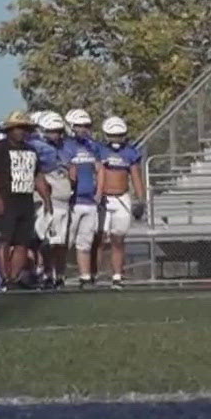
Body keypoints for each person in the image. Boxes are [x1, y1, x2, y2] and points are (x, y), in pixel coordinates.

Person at [0, 111, 48, 290]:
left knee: (22, 242)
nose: (21, 132)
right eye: (17, 128)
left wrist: (46, 199)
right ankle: (5, 278)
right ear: (9, 130)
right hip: (5, 199)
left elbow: (38, 176)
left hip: (25, 200)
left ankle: (13, 278)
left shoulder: (31, 150)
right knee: (3, 240)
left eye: (24, 128)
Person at [95, 115, 146, 288]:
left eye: (119, 135)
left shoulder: (130, 152)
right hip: (103, 198)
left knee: (118, 239)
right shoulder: (99, 150)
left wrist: (141, 199)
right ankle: (94, 274)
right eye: (113, 135)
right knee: (99, 239)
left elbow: (136, 177)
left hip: (122, 198)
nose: (116, 139)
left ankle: (117, 275)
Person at [61, 109, 103, 289]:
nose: (83, 129)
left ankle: (85, 277)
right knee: (64, 242)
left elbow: (100, 168)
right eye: (79, 125)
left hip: (89, 201)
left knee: (85, 243)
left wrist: (99, 191)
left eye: (86, 125)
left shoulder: (92, 146)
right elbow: (65, 169)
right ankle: (57, 276)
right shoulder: (65, 146)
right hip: (73, 201)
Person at [30, 111, 72, 288]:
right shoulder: (37, 147)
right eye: (53, 131)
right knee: (46, 240)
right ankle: (46, 273)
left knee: (61, 242)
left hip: (64, 199)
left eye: (59, 131)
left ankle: (59, 275)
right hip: (48, 198)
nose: (57, 134)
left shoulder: (64, 147)